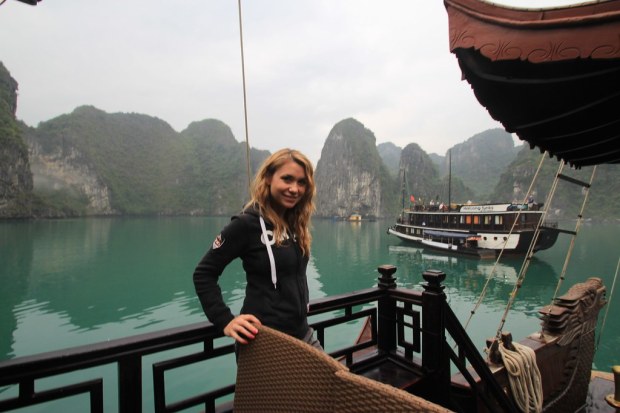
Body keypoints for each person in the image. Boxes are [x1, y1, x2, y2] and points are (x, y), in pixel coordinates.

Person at [193, 148, 321, 349]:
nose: (294, 189)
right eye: (287, 179)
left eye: (301, 182)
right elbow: (204, 274)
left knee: (334, 379)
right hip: (263, 339)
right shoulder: (246, 224)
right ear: (269, 177)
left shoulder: (295, 223)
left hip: (302, 332)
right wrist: (225, 320)